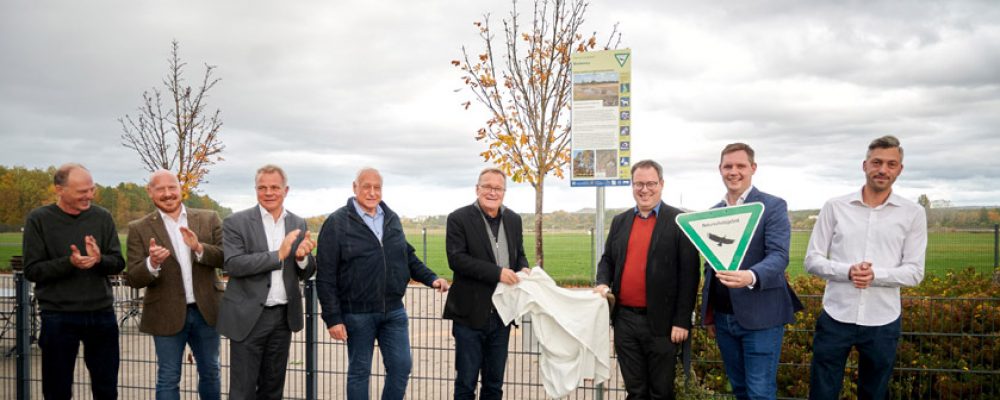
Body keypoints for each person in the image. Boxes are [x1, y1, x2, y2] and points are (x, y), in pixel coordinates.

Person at [805, 135, 926, 399]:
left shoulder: (913, 213)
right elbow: (812, 259)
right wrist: (848, 272)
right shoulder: (835, 207)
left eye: (891, 164)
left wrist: (876, 275)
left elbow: (915, 272)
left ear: (900, 169)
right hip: (836, 315)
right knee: (822, 393)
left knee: (874, 394)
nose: (883, 170)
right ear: (865, 165)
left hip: (883, 320)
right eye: (877, 162)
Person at [316, 167, 449, 400]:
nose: (372, 192)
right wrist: (333, 318)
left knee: (401, 366)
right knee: (359, 372)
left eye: (377, 187)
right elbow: (325, 275)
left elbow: (407, 256)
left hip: (393, 310)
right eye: (366, 186)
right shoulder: (337, 223)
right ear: (354, 187)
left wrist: (431, 278)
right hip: (357, 313)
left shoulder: (391, 218)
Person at [700, 143, 803, 400]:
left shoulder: (773, 206)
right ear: (720, 170)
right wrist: (709, 314)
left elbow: (779, 256)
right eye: (728, 166)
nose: (733, 171)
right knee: (741, 390)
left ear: (753, 168)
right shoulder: (713, 213)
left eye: (740, 166)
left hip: (762, 318)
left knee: (760, 392)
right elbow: (710, 267)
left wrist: (751, 276)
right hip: (724, 319)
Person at [594, 159, 701, 400]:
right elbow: (608, 260)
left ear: (661, 184)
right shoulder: (620, 221)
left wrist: (682, 320)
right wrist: (602, 282)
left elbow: (690, 274)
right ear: (632, 186)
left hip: (663, 325)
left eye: (650, 183)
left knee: (661, 392)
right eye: (638, 184)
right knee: (635, 391)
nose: (644, 190)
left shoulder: (680, 222)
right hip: (625, 322)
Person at [22, 163, 126, 400]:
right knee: (57, 389)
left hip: (102, 315)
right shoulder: (39, 219)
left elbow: (118, 262)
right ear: (59, 189)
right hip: (58, 317)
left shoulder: (102, 217)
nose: (89, 195)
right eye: (82, 191)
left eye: (92, 189)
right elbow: (32, 270)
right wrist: (70, 262)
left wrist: (99, 260)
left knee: (106, 388)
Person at [216, 164, 316, 400]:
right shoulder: (235, 222)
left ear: (286, 190)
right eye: (262, 187)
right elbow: (233, 264)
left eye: (274, 187)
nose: (268, 192)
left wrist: (301, 258)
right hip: (248, 318)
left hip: (282, 318)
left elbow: (306, 270)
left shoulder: (298, 224)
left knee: (273, 389)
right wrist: (277, 256)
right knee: (243, 390)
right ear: (255, 190)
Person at [125, 170, 225, 400]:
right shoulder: (138, 228)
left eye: (172, 188)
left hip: (206, 312)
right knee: (168, 376)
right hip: (164, 313)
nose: (167, 194)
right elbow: (133, 277)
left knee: (211, 371)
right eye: (160, 189)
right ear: (150, 192)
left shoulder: (209, 218)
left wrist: (199, 248)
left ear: (181, 189)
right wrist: (152, 263)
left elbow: (225, 257)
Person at [443, 167, 529, 400]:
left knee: (494, 384)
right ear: (477, 189)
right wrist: (497, 273)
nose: (492, 192)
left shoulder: (513, 219)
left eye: (498, 188)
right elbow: (457, 260)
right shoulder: (458, 219)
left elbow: (518, 253)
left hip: (502, 315)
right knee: (465, 383)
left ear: (504, 191)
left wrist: (523, 267)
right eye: (487, 187)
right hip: (469, 314)